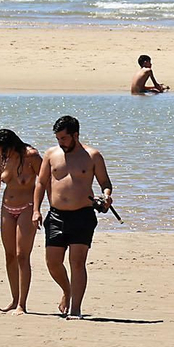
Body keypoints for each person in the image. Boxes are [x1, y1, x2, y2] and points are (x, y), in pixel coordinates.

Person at [33, 115, 113, 318]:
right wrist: (36, 210)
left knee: (77, 262)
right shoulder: (51, 154)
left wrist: (106, 197)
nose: (61, 142)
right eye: (58, 138)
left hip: (83, 216)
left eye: (64, 138)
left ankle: (76, 309)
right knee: (52, 261)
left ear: (75, 135)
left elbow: (105, 183)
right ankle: (67, 291)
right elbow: (41, 183)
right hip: (56, 215)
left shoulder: (92, 155)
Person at [0, 129, 42, 313]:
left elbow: (45, 182)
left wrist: (37, 210)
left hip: (27, 208)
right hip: (7, 208)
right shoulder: (0, 160)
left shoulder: (31, 156)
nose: (1, 154)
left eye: (3, 150)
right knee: (9, 255)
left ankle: (23, 304)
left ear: (12, 145)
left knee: (22, 255)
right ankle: (14, 299)